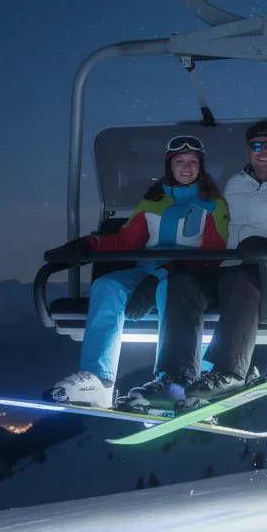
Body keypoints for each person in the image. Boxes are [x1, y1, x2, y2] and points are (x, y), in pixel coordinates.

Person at [42, 135, 227, 408]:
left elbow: (213, 254)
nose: (187, 168)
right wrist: (87, 244)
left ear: (201, 166)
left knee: (169, 290)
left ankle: (173, 380)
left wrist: (162, 276)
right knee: (107, 285)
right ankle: (99, 379)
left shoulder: (214, 204)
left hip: (188, 274)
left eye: (193, 162)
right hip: (147, 268)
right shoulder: (153, 201)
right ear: (169, 165)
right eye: (180, 162)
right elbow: (126, 241)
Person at [158, 120, 267, 406]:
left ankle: (229, 371)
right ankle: (178, 375)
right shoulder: (234, 184)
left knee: (241, 279)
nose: (263, 152)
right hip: (228, 269)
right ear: (248, 151)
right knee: (182, 282)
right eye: (256, 146)